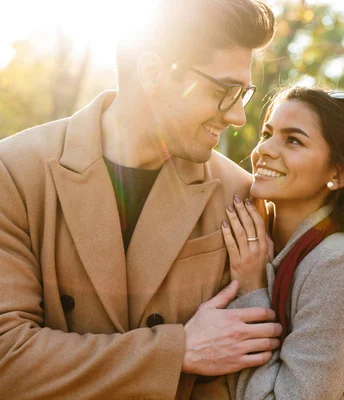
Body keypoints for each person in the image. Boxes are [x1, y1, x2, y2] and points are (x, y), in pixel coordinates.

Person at [0, 1, 283, 398]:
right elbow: (7, 359)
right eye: (225, 91)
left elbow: (237, 375)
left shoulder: (239, 194)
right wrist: (177, 351)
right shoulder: (14, 173)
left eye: (244, 94)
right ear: (152, 72)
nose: (237, 116)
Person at [220, 86, 344, 399]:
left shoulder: (340, 267)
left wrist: (251, 289)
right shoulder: (251, 236)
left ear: (338, 174)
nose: (265, 150)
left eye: (293, 140)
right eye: (266, 133)